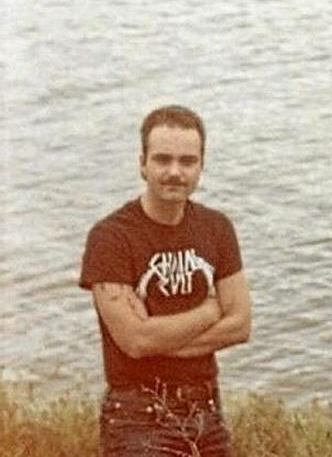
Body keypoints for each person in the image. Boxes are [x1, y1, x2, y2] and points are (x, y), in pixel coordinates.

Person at [79, 105, 252, 456]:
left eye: (187, 161)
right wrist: (210, 311)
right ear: (142, 163)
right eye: (162, 160)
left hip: (206, 408)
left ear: (201, 165)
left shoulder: (217, 228)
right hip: (136, 414)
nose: (175, 172)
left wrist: (158, 336)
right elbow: (135, 341)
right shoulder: (111, 238)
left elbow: (240, 325)